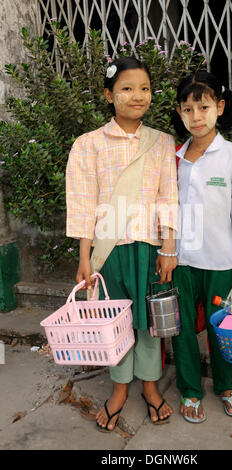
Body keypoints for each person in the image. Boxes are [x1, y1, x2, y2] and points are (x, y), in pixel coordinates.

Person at [66, 56, 178, 432]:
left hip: (149, 248)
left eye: (144, 88)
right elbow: (82, 205)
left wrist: (169, 248)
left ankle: (149, 386)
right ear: (108, 95)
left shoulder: (162, 142)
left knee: (149, 323)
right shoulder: (88, 145)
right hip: (109, 251)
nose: (137, 96)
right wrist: (86, 259)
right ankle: (118, 390)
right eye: (127, 89)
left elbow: (168, 198)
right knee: (115, 323)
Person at [171, 70, 232, 423]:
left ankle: (226, 386)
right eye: (188, 109)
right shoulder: (174, 157)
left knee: (224, 327)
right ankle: (190, 390)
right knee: (181, 330)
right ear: (180, 112)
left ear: (220, 108)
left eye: (204, 107)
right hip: (179, 259)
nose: (196, 117)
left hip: (222, 260)